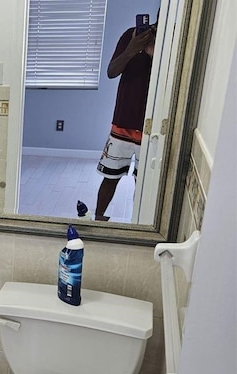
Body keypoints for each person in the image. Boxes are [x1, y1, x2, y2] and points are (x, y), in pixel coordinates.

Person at [94, 17, 158, 221]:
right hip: (122, 123)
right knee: (110, 177)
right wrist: (132, 49)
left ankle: (139, 224)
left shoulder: (171, 43)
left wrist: (154, 55)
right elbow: (112, 72)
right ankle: (98, 218)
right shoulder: (130, 36)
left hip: (153, 130)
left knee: (145, 184)